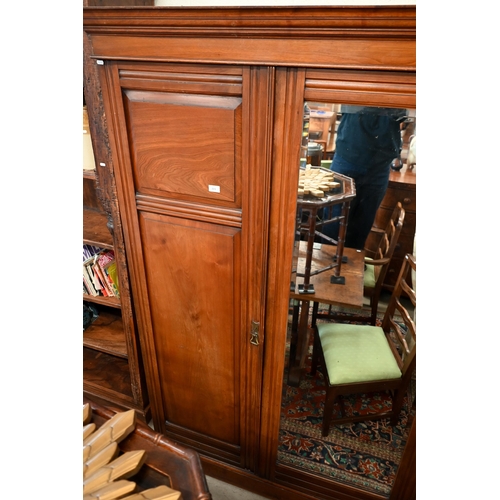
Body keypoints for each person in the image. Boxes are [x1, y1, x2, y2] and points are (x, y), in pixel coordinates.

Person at [323, 105, 406, 249]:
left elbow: (404, 117)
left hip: (378, 164)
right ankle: (325, 265)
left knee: (362, 226)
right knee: (333, 226)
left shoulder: (401, 83)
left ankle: (350, 266)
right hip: (348, 157)